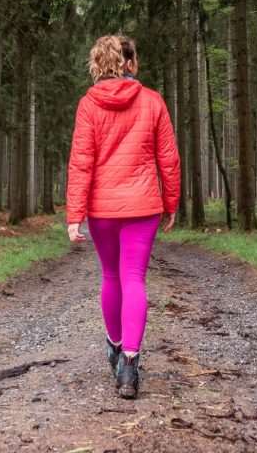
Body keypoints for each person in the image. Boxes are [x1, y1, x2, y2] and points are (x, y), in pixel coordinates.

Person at [66, 34, 181, 399]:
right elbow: (169, 159)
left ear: (100, 65)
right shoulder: (152, 102)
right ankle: (129, 365)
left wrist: (75, 214)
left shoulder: (89, 105)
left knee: (111, 275)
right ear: (130, 63)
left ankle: (115, 347)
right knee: (134, 278)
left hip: (102, 208)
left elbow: (81, 162)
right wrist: (171, 203)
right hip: (144, 206)